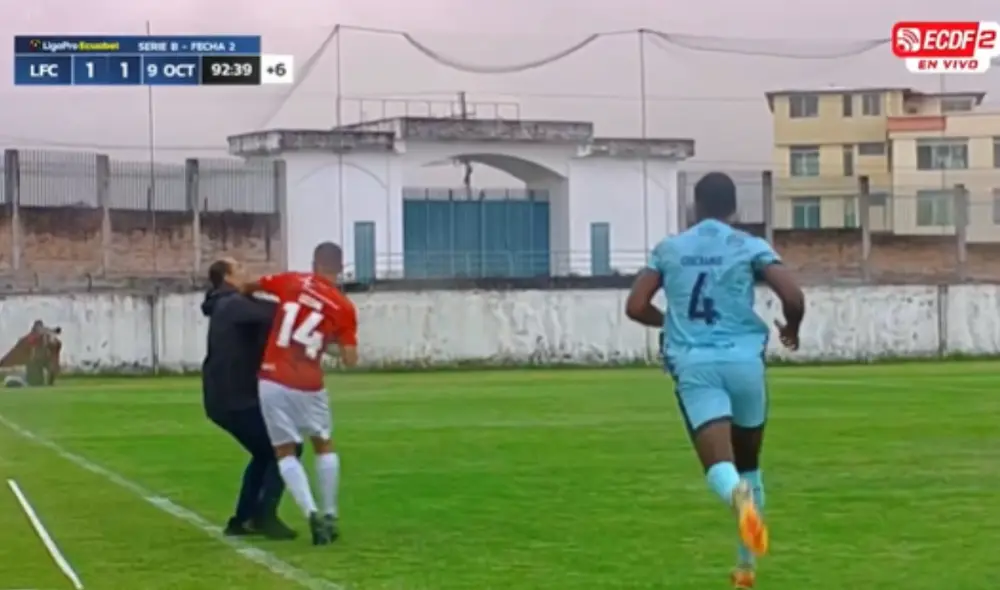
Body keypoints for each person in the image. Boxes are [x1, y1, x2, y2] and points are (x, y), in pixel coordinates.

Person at [625, 172, 805, 589]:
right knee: (749, 465)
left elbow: (635, 306)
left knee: (720, 467)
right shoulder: (749, 245)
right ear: (734, 208)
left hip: (696, 365)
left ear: (695, 206)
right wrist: (791, 328)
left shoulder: (670, 248)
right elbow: (793, 297)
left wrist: (670, 322)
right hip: (745, 364)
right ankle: (745, 569)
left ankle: (734, 497)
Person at [243, 242, 359, 546]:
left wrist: (247, 293)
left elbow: (251, 286)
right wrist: (327, 344)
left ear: (314, 263)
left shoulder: (292, 281)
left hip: (271, 377)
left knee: (284, 451)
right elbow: (350, 358)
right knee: (323, 443)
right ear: (341, 267)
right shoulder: (344, 306)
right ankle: (330, 514)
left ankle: (310, 513)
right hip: (309, 383)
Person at [201, 257, 298, 540]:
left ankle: (243, 520)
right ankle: (263, 517)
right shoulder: (233, 305)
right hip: (235, 397)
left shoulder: (225, 304)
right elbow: (275, 315)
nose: (248, 273)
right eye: (241, 269)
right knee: (285, 447)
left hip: (226, 397)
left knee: (266, 452)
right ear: (229, 277)